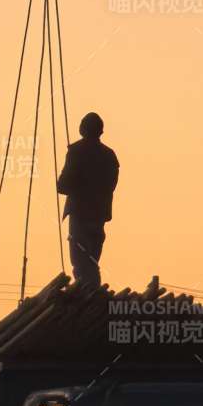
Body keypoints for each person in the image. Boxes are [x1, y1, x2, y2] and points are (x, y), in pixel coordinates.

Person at [56, 112, 119, 288]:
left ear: (82, 129)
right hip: (98, 216)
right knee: (91, 259)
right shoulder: (109, 156)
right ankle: (91, 290)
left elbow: (63, 185)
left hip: (80, 214)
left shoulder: (76, 151)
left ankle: (86, 292)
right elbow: (111, 185)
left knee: (80, 260)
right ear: (100, 131)